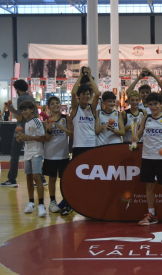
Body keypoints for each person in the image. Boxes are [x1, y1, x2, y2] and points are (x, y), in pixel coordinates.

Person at [132, 92, 162, 226]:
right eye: (150, 105)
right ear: (147, 106)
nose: (153, 107)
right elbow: (139, 136)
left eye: (156, 104)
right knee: (149, 187)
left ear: (161, 105)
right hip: (147, 158)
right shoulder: (145, 119)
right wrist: (135, 139)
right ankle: (152, 215)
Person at [60, 67, 99, 215]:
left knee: (92, 177)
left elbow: (98, 93)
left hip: (92, 146)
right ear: (80, 96)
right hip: (78, 146)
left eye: (87, 94)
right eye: (83, 94)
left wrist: (89, 77)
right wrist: (81, 77)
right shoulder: (75, 109)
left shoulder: (92, 107)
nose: (85, 96)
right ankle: (69, 204)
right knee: (76, 177)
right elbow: (73, 92)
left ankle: (89, 202)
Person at [1, 80, 47, 188]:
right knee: (35, 153)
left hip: (22, 129)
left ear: (17, 89)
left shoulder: (21, 98)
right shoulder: (31, 97)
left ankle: (12, 179)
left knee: (15, 154)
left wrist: (11, 109)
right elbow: (35, 114)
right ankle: (41, 178)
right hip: (32, 127)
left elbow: (20, 117)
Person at [15, 101, 47, 218]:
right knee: (28, 178)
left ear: (32, 110)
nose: (24, 112)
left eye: (26, 110)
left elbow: (43, 138)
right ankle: (31, 202)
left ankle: (41, 205)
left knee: (36, 177)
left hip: (36, 153)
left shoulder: (36, 121)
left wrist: (26, 136)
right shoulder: (26, 123)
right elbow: (29, 139)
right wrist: (21, 138)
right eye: (22, 110)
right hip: (27, 153)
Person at [43, 96, 73, 213]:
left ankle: (66, 201)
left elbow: (71, 134)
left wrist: (62, 128)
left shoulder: (66, 118)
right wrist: (49, 129)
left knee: (64, 179)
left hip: (63, 154)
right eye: (53, 104)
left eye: (57, 103)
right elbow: (46, 138)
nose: (55, 105)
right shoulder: (47, 121)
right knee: (52, 179)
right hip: (50, 154)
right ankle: (52, 201)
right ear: (49, 107)